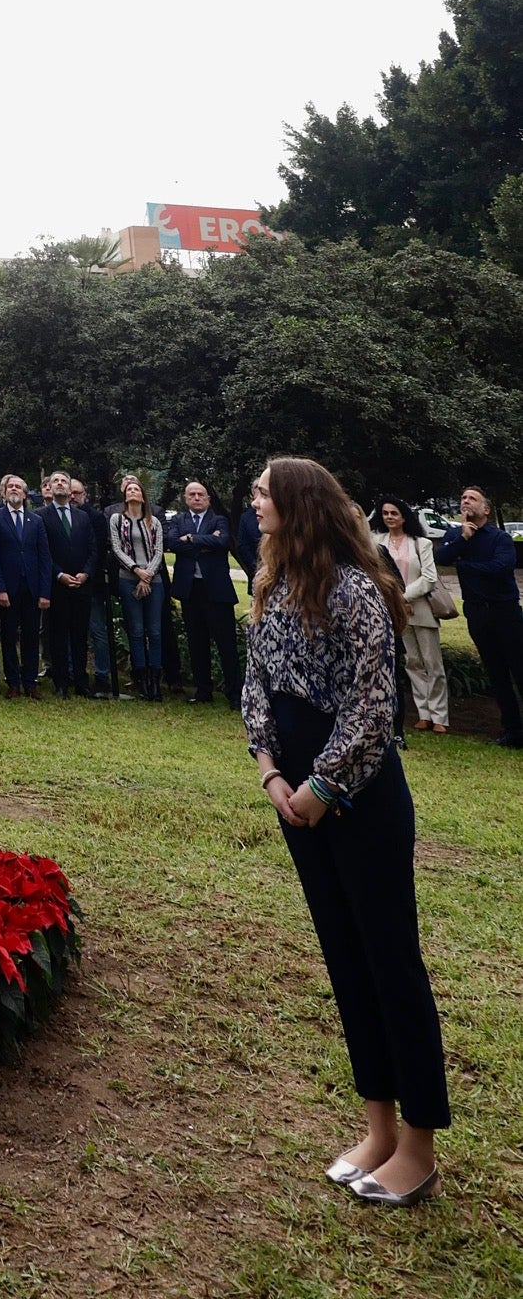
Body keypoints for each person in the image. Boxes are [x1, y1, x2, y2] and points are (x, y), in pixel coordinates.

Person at [243, 456, 448, 1205]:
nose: (253, 501)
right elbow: (254, 691)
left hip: (358, 800)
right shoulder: (269, 589)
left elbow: (370, 707)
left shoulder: (356, 592)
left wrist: (321, 787)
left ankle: (419, 1145)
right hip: (292, 797)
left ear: (298, 504)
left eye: (263, 491)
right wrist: (271, 775)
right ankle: (378, 1128)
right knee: (343, 961)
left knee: (389, 961)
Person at [439, 486, 523, 747]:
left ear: (485, 509)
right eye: (463, 498)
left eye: (472, 498)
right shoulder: (456, 536)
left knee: (519, 671)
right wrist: (462, 538)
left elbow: (501, 567)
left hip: (505, 612)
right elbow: (440, 557)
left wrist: (463, 565)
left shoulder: (500, 538)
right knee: (496, 675)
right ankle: (512, 732)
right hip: (476, 613)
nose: (465, 501)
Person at [371, 498, 449, 735]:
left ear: (404, 516)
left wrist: (404, 597)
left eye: (394, 513)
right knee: (412, 662)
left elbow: (428, 577)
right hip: (395, 611)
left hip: (420, 608)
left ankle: (440, 716)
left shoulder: (420, 543)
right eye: (385, 513)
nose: (389, 517)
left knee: (432, 662)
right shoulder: (377, 541)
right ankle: (424, 713)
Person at [165, 479, 241, 708]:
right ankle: (203, 690)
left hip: (216, 590)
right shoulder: (179, 519)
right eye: (192, 494)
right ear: (185, 498)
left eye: (201, 494)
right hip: (190, 590)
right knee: (196, 642)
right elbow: (172, 543)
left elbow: (223, 542)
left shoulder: (219, 519)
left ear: (208, 498)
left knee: (225, 643)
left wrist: (191, 539)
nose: (196, 498)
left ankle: (235, 694)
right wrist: (206, 542)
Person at [0, 474, 52, 698]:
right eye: (10, 487)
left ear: (25, 494)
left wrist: (45, 591)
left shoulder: (36, 521)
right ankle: (13, 682)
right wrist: (0, 588)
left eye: (18, 487)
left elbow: (45, 558)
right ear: (4, 493)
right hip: (8, 588)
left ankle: (30, 682)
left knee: (31, 636)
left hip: (32, 588)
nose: (14, 490)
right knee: (8, 636)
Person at [41, 471, 101, 697]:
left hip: (81, 585)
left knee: (79, 635)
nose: (59, 484)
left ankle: (81, 682)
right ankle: (61, 682)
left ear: (69, 488)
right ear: (49, 486)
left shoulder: (82, 517)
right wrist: (59, 575)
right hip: (57, 585)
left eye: (63, 481)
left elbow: (93, 549)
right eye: (55, 480)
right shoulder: (41, 516)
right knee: (57, 635)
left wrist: (86, 573)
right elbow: (44, 552)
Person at [110, 475, 167, 701]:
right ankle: (141, 679)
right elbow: (117, 548)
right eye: (129, 489)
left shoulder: (154, 522)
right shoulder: (117, 519)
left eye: (137, 489)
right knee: (135, 630)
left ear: (143, 496)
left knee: (154, 631)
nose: (133, 492)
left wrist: (148, 575)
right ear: (125, 495)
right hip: (128, 578)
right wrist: (136, 570)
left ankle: (155, 681)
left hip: (154, 580)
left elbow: (159, 550)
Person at [69, 478, 114, 694]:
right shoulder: (61, 516)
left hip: (92, 584)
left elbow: (97, 550)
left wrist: (86, 574)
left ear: (84, 494)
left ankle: (102, 674)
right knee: (70, 631)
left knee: (97, 630)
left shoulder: (95, 517)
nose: (73, 497)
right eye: (70, 493)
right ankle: (71, 672)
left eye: (77, 493)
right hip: (66, 583)